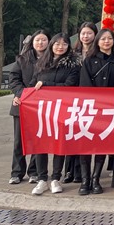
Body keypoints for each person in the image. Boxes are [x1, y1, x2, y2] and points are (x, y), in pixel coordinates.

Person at [30, 33, 81, 195]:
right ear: (51, 45)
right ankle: (42, 179)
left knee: (59, 143)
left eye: (64, 44)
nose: (60, 47)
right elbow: (32, 84)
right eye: (57, 44)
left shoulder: (73, 65)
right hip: (42, 110)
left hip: (61, 110)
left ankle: (55, 178)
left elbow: (69, 86)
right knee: (41, 144)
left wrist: (46, 84)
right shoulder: (41, 63)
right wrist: (21, 96)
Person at [78, 28, 114, 195]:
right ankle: (85, 180)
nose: (106, 41)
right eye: (103, 39)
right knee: (85, 143)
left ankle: (96, 179)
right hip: (90, 108)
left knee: (101, 143)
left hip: (109, 109)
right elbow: (84, 84)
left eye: (109, 38)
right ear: (97, 41)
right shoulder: (89, 60)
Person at [9, 30, 48, 185]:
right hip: (22, 104)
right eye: (38, 40)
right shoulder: (22, 59)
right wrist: (22, 95)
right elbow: (14, 79)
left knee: (37, 140)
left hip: (42, 107)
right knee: (19, 141)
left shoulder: (52, 60)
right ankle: (17, 172)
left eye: (44, 40)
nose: (40, 43)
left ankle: (34, 172)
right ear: (32, 42)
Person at [65, 21, 98, 184]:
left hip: (91, 99)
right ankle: (70, 171)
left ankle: (81, 172)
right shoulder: (72, 54)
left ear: (95, 35)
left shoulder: (97, 53)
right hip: (73, 99)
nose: (86, 36)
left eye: (89, 33)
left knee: (85, 134)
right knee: (73, 134)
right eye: (83, 33)